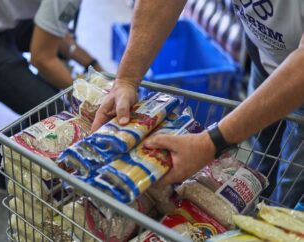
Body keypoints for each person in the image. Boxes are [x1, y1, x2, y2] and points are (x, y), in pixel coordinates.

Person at [92, 0, 304, 208]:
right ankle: (258, 203)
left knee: (290, 183)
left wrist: (210, 143)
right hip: (265, 56)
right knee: (263, 151)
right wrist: (126, 80)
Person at [0, 0, 103, 192]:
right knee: (52, 109)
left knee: (56, 50)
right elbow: (42, 58)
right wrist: (88, 100)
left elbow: (56, 31)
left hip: (1, 21)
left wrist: (94, 65)